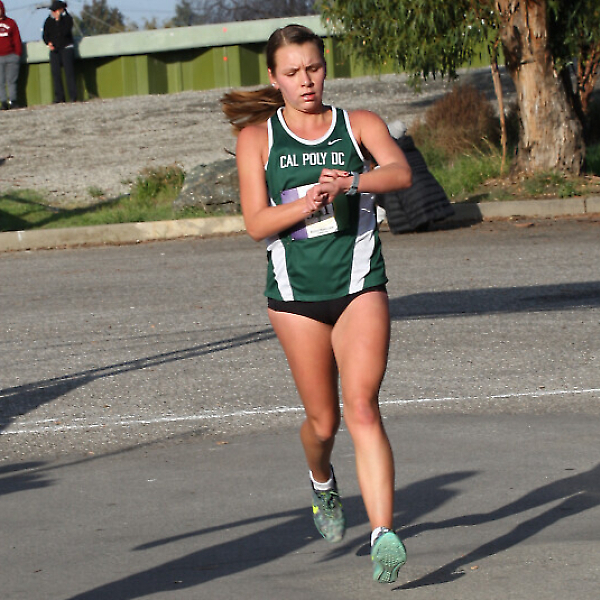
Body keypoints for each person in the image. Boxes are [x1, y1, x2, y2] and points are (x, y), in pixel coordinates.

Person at [221, 24, 413, 584]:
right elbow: (256, 223)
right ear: (274, 78)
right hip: (295, 299)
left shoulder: (359, 124)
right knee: (324, 423)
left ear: (325, 67)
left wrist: (352, 182)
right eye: (293, 72)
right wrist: (309, 201)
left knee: (362, 407)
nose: (306, 81)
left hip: (359, 286)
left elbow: (400, 172)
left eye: (314, 68)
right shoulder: (257, 138)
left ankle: (382, 533)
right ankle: (322, 481)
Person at [43, 0, 77, 103]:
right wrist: (48, 43)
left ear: (61, 10)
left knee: (69, 72)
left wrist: (59, 20)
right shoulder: (48, 21)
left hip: (66, 48)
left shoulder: (67, 19)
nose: (53, 13)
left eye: (55, 11)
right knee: (56, 73)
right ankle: (59, 97)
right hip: (55, 50)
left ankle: (73, 96)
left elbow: (65, 32)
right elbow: (45, 34)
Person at [0, 0, 22, 110]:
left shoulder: (11, 23)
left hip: (11, 56)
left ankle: (13, 101)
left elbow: (17, 39)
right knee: (0, 81)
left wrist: (17, 54)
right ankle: (3, 102)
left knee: (11, 81)